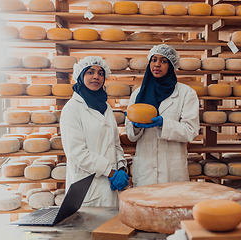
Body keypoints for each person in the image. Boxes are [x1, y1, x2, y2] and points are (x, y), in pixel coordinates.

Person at [125, 44, 200, 187]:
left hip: (172, 171)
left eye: (163, 61)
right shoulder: (138, 94)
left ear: (171, 66)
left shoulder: (186, 93)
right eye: (154, 60)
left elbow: (191, 131)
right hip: (145, 170)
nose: (157, 64)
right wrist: (135, 126)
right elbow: (130, 134)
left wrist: (163, 124)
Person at [60, 56, 129, 207]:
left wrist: (121, 167)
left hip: (109, 187)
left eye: (100, 73)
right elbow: (76, 153)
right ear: (81, 75)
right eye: (90, 72)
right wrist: (110, 172)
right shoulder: (72, 109)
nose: (96, 76)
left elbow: (115, 144)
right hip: (87, 189)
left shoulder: (106, 108)